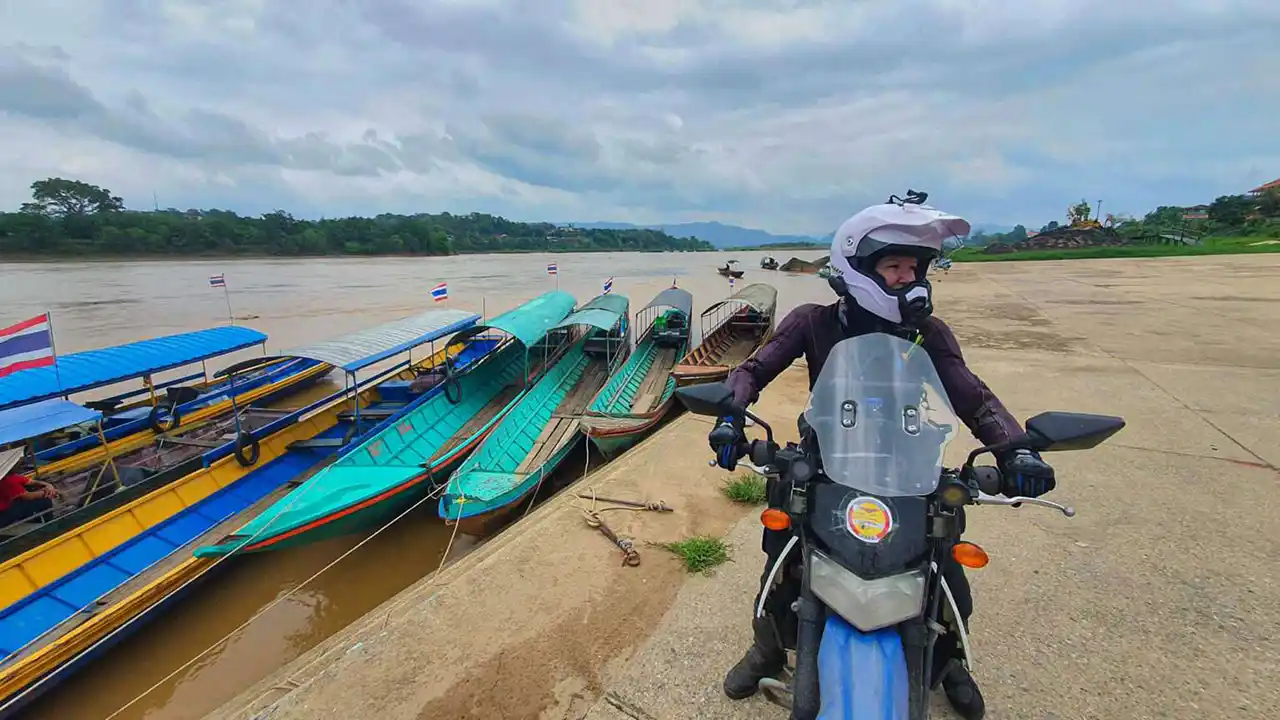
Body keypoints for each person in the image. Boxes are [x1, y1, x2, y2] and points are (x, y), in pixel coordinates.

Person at [709, 197, 1057, 720]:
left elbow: (973, 396)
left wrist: (1015, 449)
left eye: (915, 268)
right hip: (826, 459)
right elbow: (754, 370)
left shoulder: (928, 332)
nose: (908, 279)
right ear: (859, 268)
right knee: (782, 556)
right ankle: (766, 647)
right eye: (894, 266)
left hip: (907, 462)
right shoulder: (813, 322)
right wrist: (730, 416)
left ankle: (950, 660)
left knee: (945, 569)